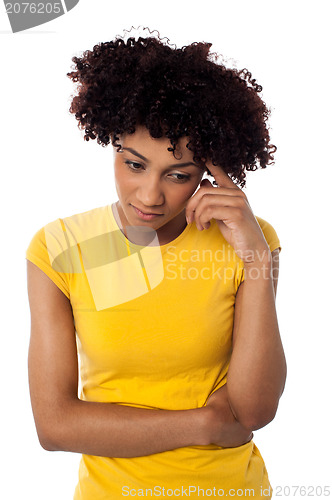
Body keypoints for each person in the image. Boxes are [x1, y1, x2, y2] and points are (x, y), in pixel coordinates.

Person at [26, 29, 287, 500]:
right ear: (112, 142)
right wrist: (204, 423)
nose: (149, 196)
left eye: (179, 175)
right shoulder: (61, 247)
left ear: (209, 174)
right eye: (133, 164)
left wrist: (255, 260)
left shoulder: (251, 243)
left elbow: (254, 409)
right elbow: (56, 426)